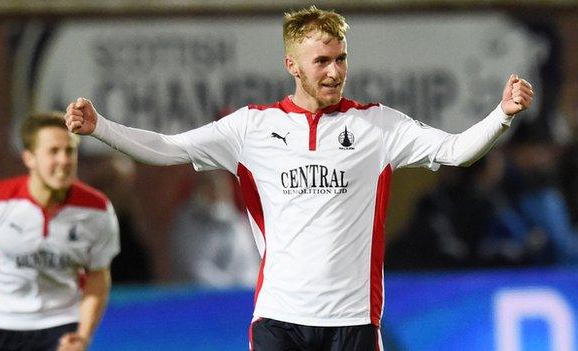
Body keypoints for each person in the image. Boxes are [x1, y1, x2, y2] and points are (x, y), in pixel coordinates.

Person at [64, 6, 533, 350]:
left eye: (341, 59)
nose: (334, 72)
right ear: (292, 66)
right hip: (279, 320)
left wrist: (501, 116)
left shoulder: (378, 126)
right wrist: (101, 128)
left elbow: (456, 151)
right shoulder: (251, 128)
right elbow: (168, 149)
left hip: (354, 322)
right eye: (321, 62)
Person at [0, 113, 120, 351]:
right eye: (53, 151)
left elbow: (98, 276)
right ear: (29, 158)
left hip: (60, 328)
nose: (63, 160)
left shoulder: (97, 210)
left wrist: (82, 336)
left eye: (69, 151)